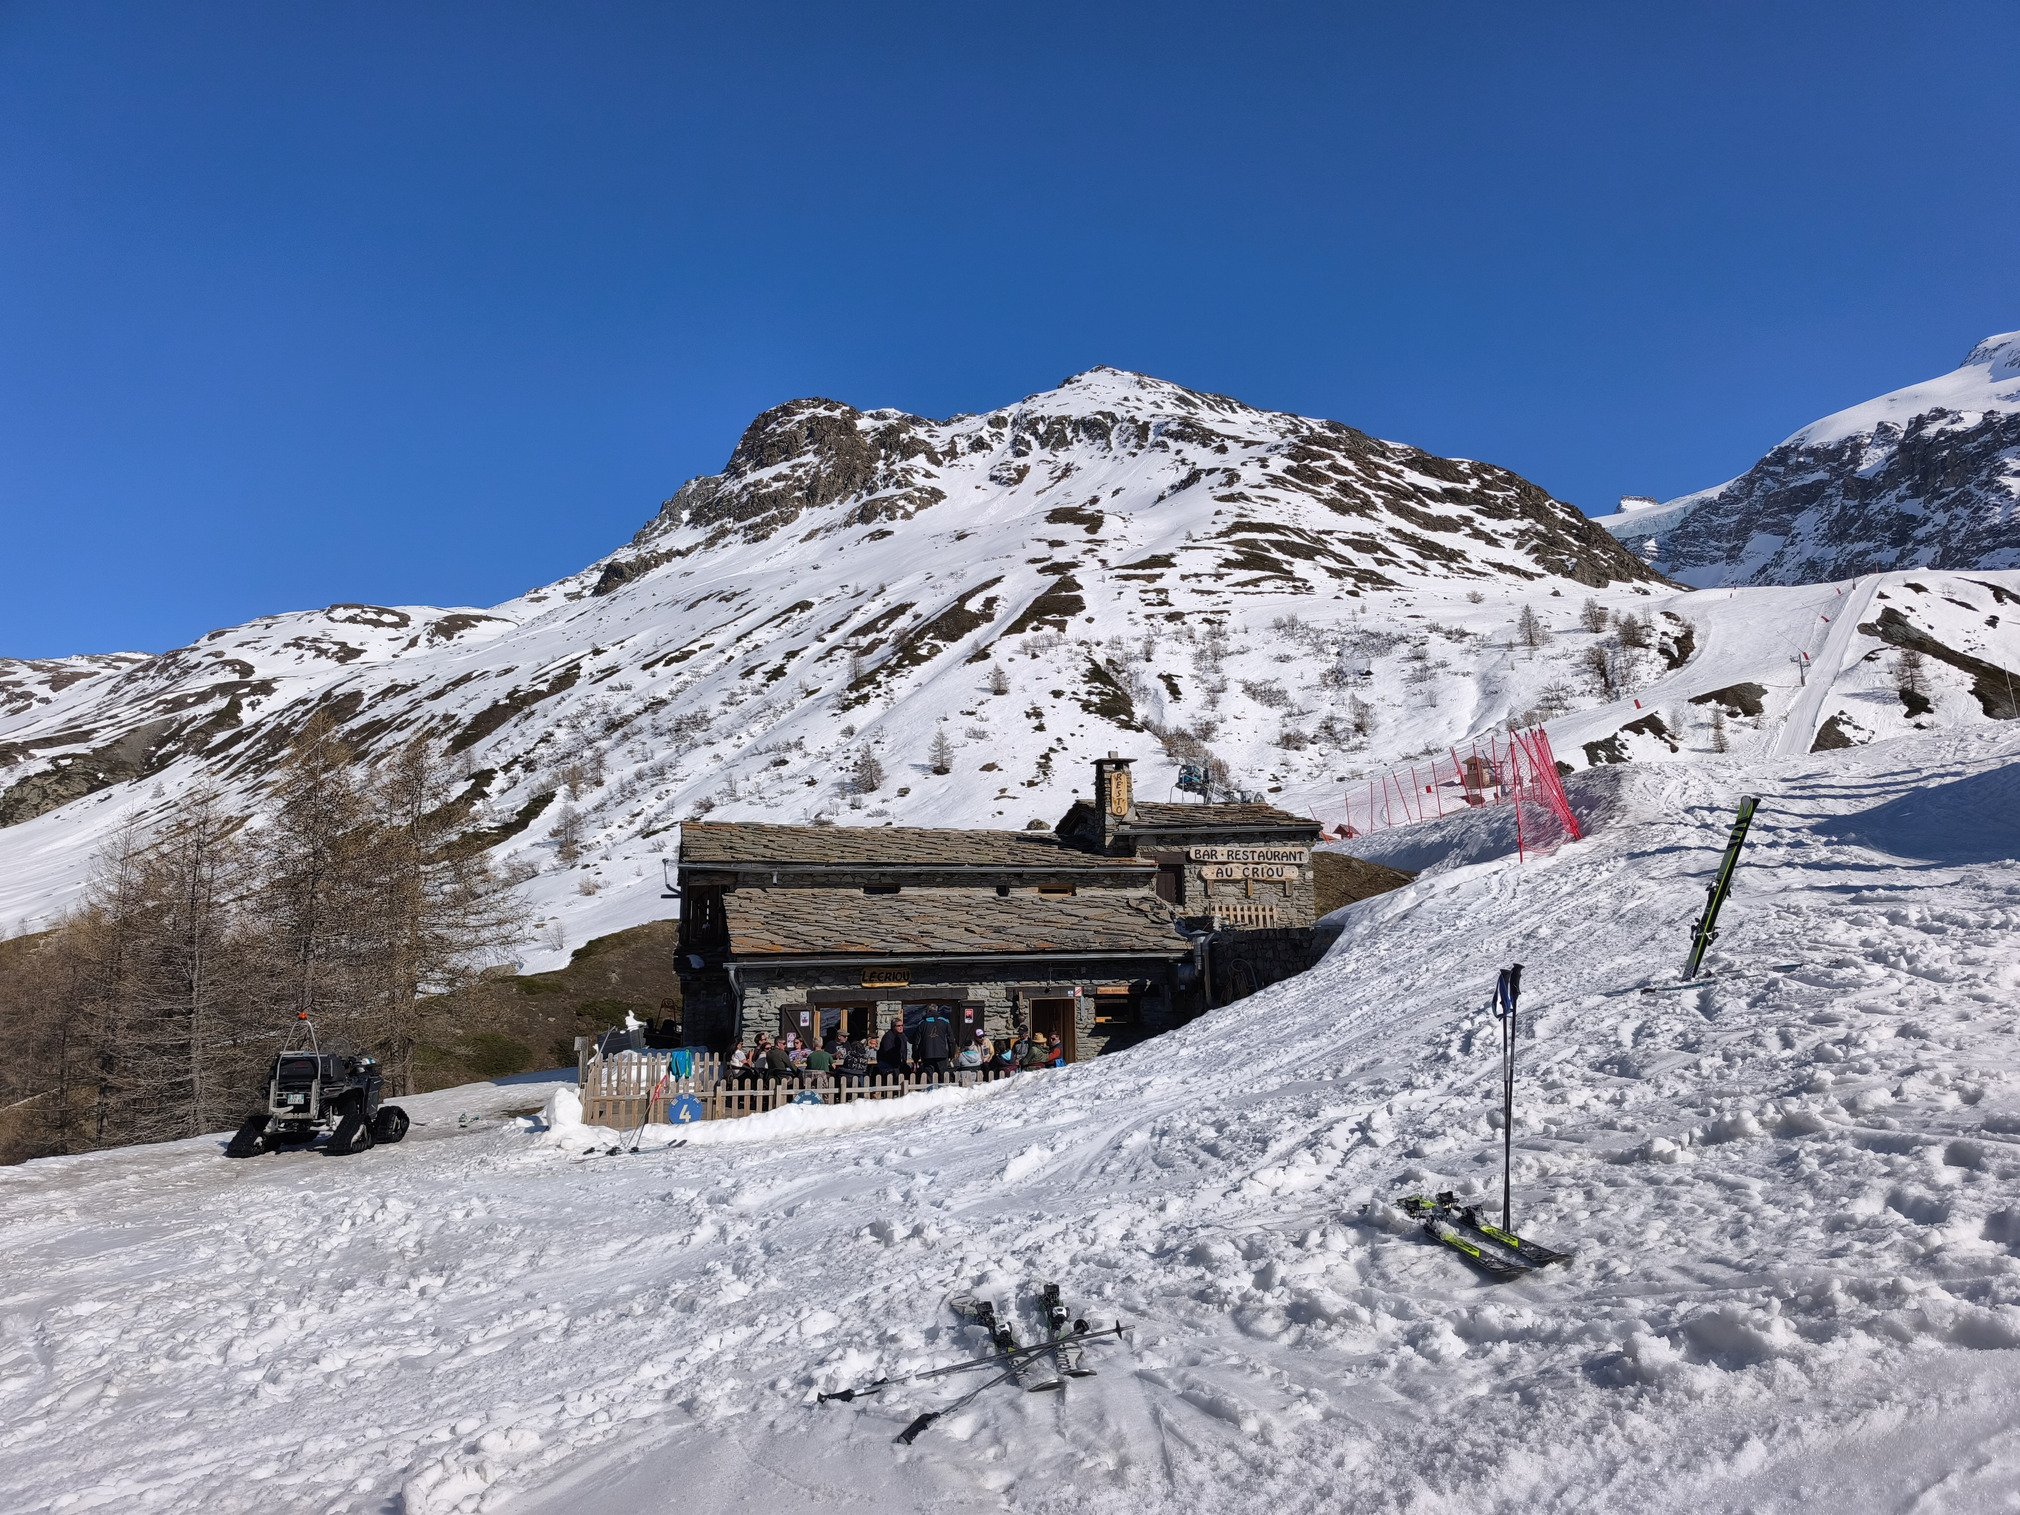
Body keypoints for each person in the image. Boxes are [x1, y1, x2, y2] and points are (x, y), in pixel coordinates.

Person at [916, 1005, 955, 1076]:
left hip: (927, 1054)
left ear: (928, 1011)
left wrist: (916, 1057)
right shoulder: (945, 1022)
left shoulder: (922, 1023)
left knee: (929, 1076)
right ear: (937, 1010)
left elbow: (917, 1042)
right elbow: (951, 1040)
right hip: (942, 1054)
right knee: (943, 1076)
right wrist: (951, 1054)